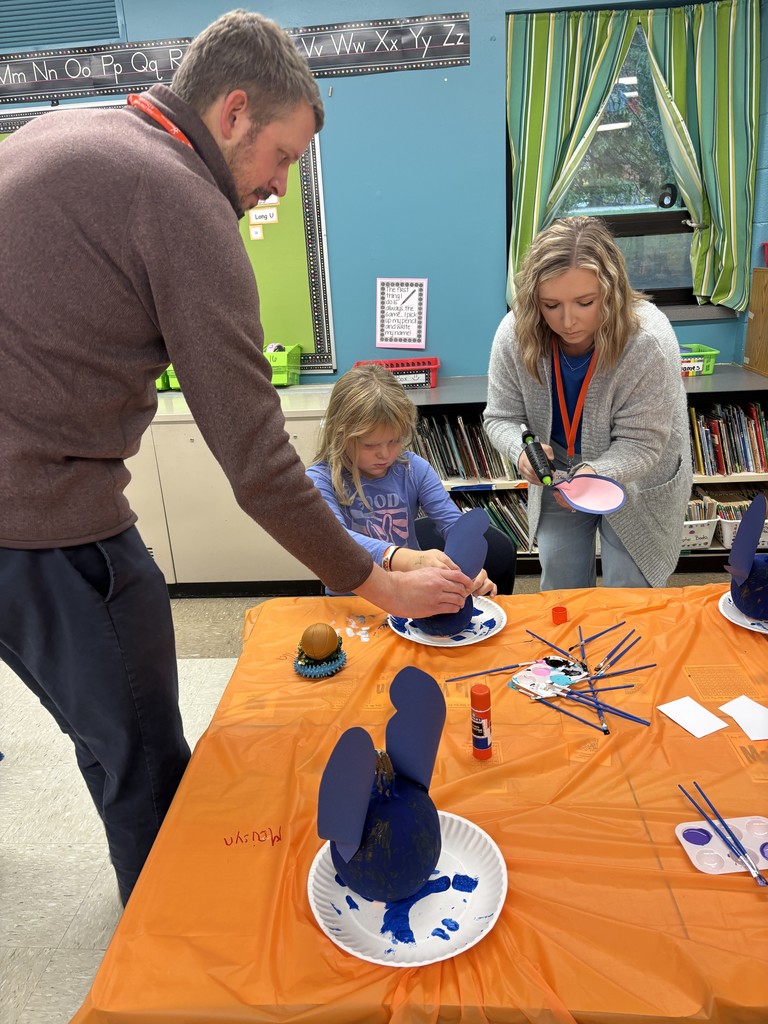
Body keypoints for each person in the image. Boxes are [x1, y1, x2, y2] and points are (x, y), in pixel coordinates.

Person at [0, 11, 472, 906]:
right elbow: (256, 462)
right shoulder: (182, 198)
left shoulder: (64, 128)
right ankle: (175, 951)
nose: (280, 186)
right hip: (46, 524)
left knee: (96, 726)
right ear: (234, 112)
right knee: (143, 755)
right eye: (282, 157)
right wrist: (375, 581)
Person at [484, 216, 692, 590]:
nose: (567, 321)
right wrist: (520, 451)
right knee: (561, 586)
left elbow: (642, 444)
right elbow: (501, 417)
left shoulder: (648, 340)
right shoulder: (514, 333)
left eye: (585, 302)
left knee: (629, 593)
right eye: (550, 305)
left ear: (611, 291)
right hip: (558, 470)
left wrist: (595, 474)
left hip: (639, 479)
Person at [307, 365, 517, 595]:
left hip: (411, 596)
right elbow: (337, 542)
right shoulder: (320, 479)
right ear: (339, 436)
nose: (385, 454)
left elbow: (453, 526)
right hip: (350, 598)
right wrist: (400, 557)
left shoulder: (414, 468)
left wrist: (469, 568)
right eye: (370, 445)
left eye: (394, 441)